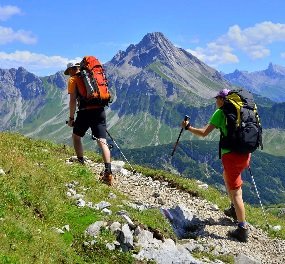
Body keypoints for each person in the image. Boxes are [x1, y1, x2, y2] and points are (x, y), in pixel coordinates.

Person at [181, 88, 250, 243]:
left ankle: (242, 229)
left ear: (222, 99)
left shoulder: (221, 113)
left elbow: (204, 133)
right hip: (245, 154)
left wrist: (188, 127)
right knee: (227, 175)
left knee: (236, 191)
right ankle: (234, 209)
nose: (215, 101)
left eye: (217, 98)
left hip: (231, 156)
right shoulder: (242, 110)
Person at [64, 62, 113, 185]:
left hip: (85, 112)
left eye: (69, 71)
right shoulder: (92, 76)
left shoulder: (73, 79)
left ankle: (80, 163)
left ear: (71, 70)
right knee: (102, 141)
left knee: (76, 136)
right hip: (100, 110)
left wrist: (71, 118)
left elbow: (72, 101)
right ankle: (108, 172)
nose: (69, 73)